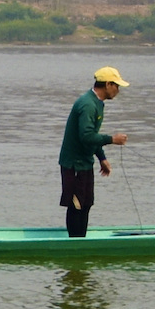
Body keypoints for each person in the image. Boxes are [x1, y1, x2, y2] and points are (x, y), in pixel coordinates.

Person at [59, 67, 129, 238]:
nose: (118, 91)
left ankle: (80, 239)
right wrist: (112, 139)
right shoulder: (88, 104)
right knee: (76, 205)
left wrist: (102, 158)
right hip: (74, 163)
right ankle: (75, 242)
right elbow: (86, 136)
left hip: (85, 162)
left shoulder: (97, 103)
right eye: (116, 86)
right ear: (107, 84)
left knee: (86, 203)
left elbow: (93, 135)